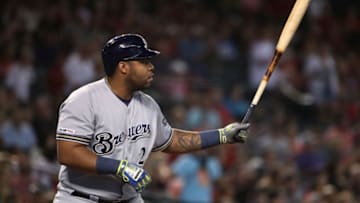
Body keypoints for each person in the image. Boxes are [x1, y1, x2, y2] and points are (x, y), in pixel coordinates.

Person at [53, 33, 250, 203]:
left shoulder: (148, 104)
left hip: (128, 198)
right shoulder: (84, 100)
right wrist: (119, 167)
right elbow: (68, 153)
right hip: (81, 197)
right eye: (143, 62)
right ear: (123, 67)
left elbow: (171, 140)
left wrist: (222, 135)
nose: (151, 67)